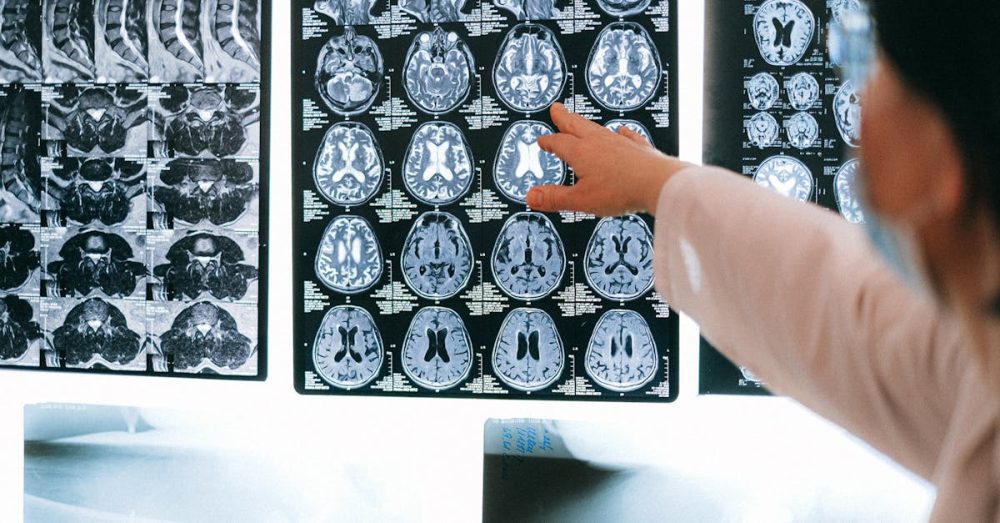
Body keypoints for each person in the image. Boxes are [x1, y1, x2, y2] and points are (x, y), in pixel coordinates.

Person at [526, 1, 1000, 520]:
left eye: (872, 67)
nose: (860, 103)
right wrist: (654, 182)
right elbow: (841, 308)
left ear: (948, 159)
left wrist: (659, 185)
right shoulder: (982, 369)